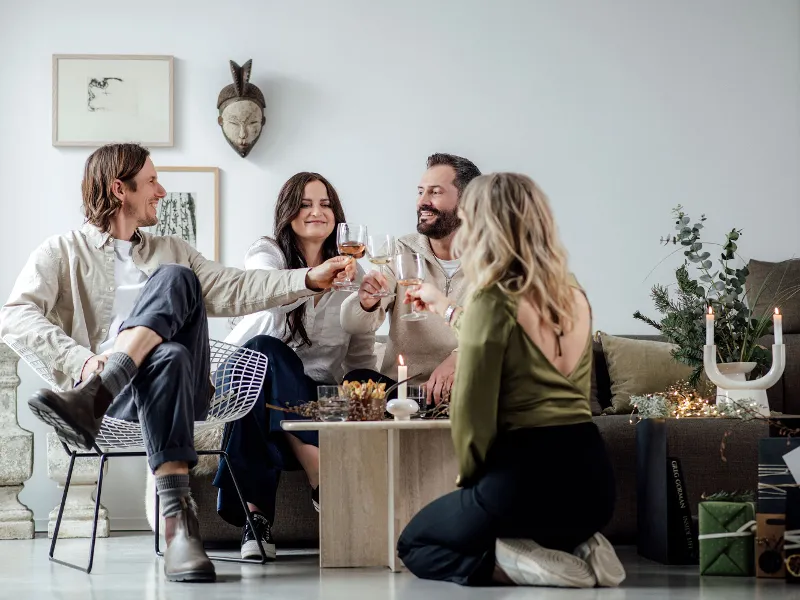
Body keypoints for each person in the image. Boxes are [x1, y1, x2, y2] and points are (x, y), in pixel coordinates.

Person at [0, 144, 353, 584]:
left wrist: (306, 278)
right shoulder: (62, 251)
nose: (161, 190)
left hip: (184, 393)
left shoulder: (172, 250)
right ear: (119, 189)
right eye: (151, 181)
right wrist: (85, 361)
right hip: (124, 402)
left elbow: (236, 287)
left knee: (176, 277)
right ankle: (179, 527)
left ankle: (103, 387)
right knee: (168, 353)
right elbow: (15, 316)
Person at [396, 173, 625, 588]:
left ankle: (527, 569)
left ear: (484, 226)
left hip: (525, 477)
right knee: (524, 517)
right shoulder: (572, 292)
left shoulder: (492, 297)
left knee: (416, 544)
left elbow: (471, 409)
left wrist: (471, 481)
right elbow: (511, 337)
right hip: (594, 484)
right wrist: (444, 307)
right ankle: (580, 544)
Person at [215, 172, 376, 560]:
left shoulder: (355, 272)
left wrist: (369, 308)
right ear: (288, 212)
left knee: (360, 381)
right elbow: (264, 297)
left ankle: (257, 524)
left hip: (305, 397)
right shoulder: (267, 251)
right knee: (269, 352)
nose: (316, 212)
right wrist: (312, 281)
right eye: (305, 204)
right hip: (244, 375)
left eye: (325, 204)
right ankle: (317, 468)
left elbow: (360, 348)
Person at [340, 153, 480, 404]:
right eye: (420, 192)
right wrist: (366, 303)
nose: (422, 202)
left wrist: (462, 356)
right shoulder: (399, 251)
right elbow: (354, 325)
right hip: (403, 391)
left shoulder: (494, 261)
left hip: (468, 389)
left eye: (435, 192)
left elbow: (501, 333)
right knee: (356, 380)